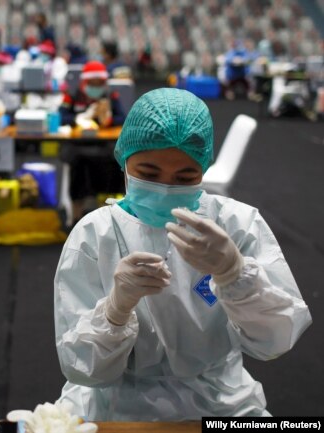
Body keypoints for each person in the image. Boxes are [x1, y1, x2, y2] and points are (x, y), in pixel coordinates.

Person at [54, 88, 312, 420]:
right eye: (148, 174)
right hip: (119, 407)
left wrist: (235, 274)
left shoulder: (237, 224)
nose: (164, 187)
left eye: (185, 177)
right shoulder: (95, 234)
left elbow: (275, 340)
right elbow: (83, 369)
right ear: (123, 158)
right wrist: (115, 311)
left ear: (203, 168)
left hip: (224, 402)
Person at [59, 61, 125, 223]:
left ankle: (108, 209)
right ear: (85, 82)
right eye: (92, 83)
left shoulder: (110, 96)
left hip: (104, 144)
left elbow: (122, 117)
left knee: (116, 161)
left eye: (99, 83)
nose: (95, 87)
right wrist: (79, 118)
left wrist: (108, 119)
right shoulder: (72, 95)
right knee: (77, 163)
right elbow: (62, 117)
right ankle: (76, 214)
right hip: (79, 144)